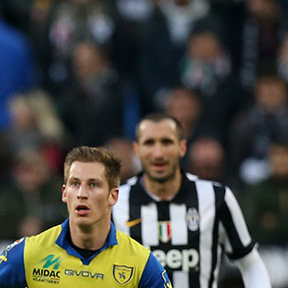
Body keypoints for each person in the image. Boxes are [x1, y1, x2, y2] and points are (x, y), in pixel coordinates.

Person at [0, 146, 172, 288]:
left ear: (113, 196)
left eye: (93, 185)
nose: (82, 193)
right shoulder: (31, 252)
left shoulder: (141, 264)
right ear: (65, 193)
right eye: (75, 184)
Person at [112, 113, 270, 288]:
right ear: (137, 150)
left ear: (182, 147)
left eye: (166, 142)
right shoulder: (115, 201)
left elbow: (250, 263)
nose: (158, 153)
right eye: (149, 143)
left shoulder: (215, 197)